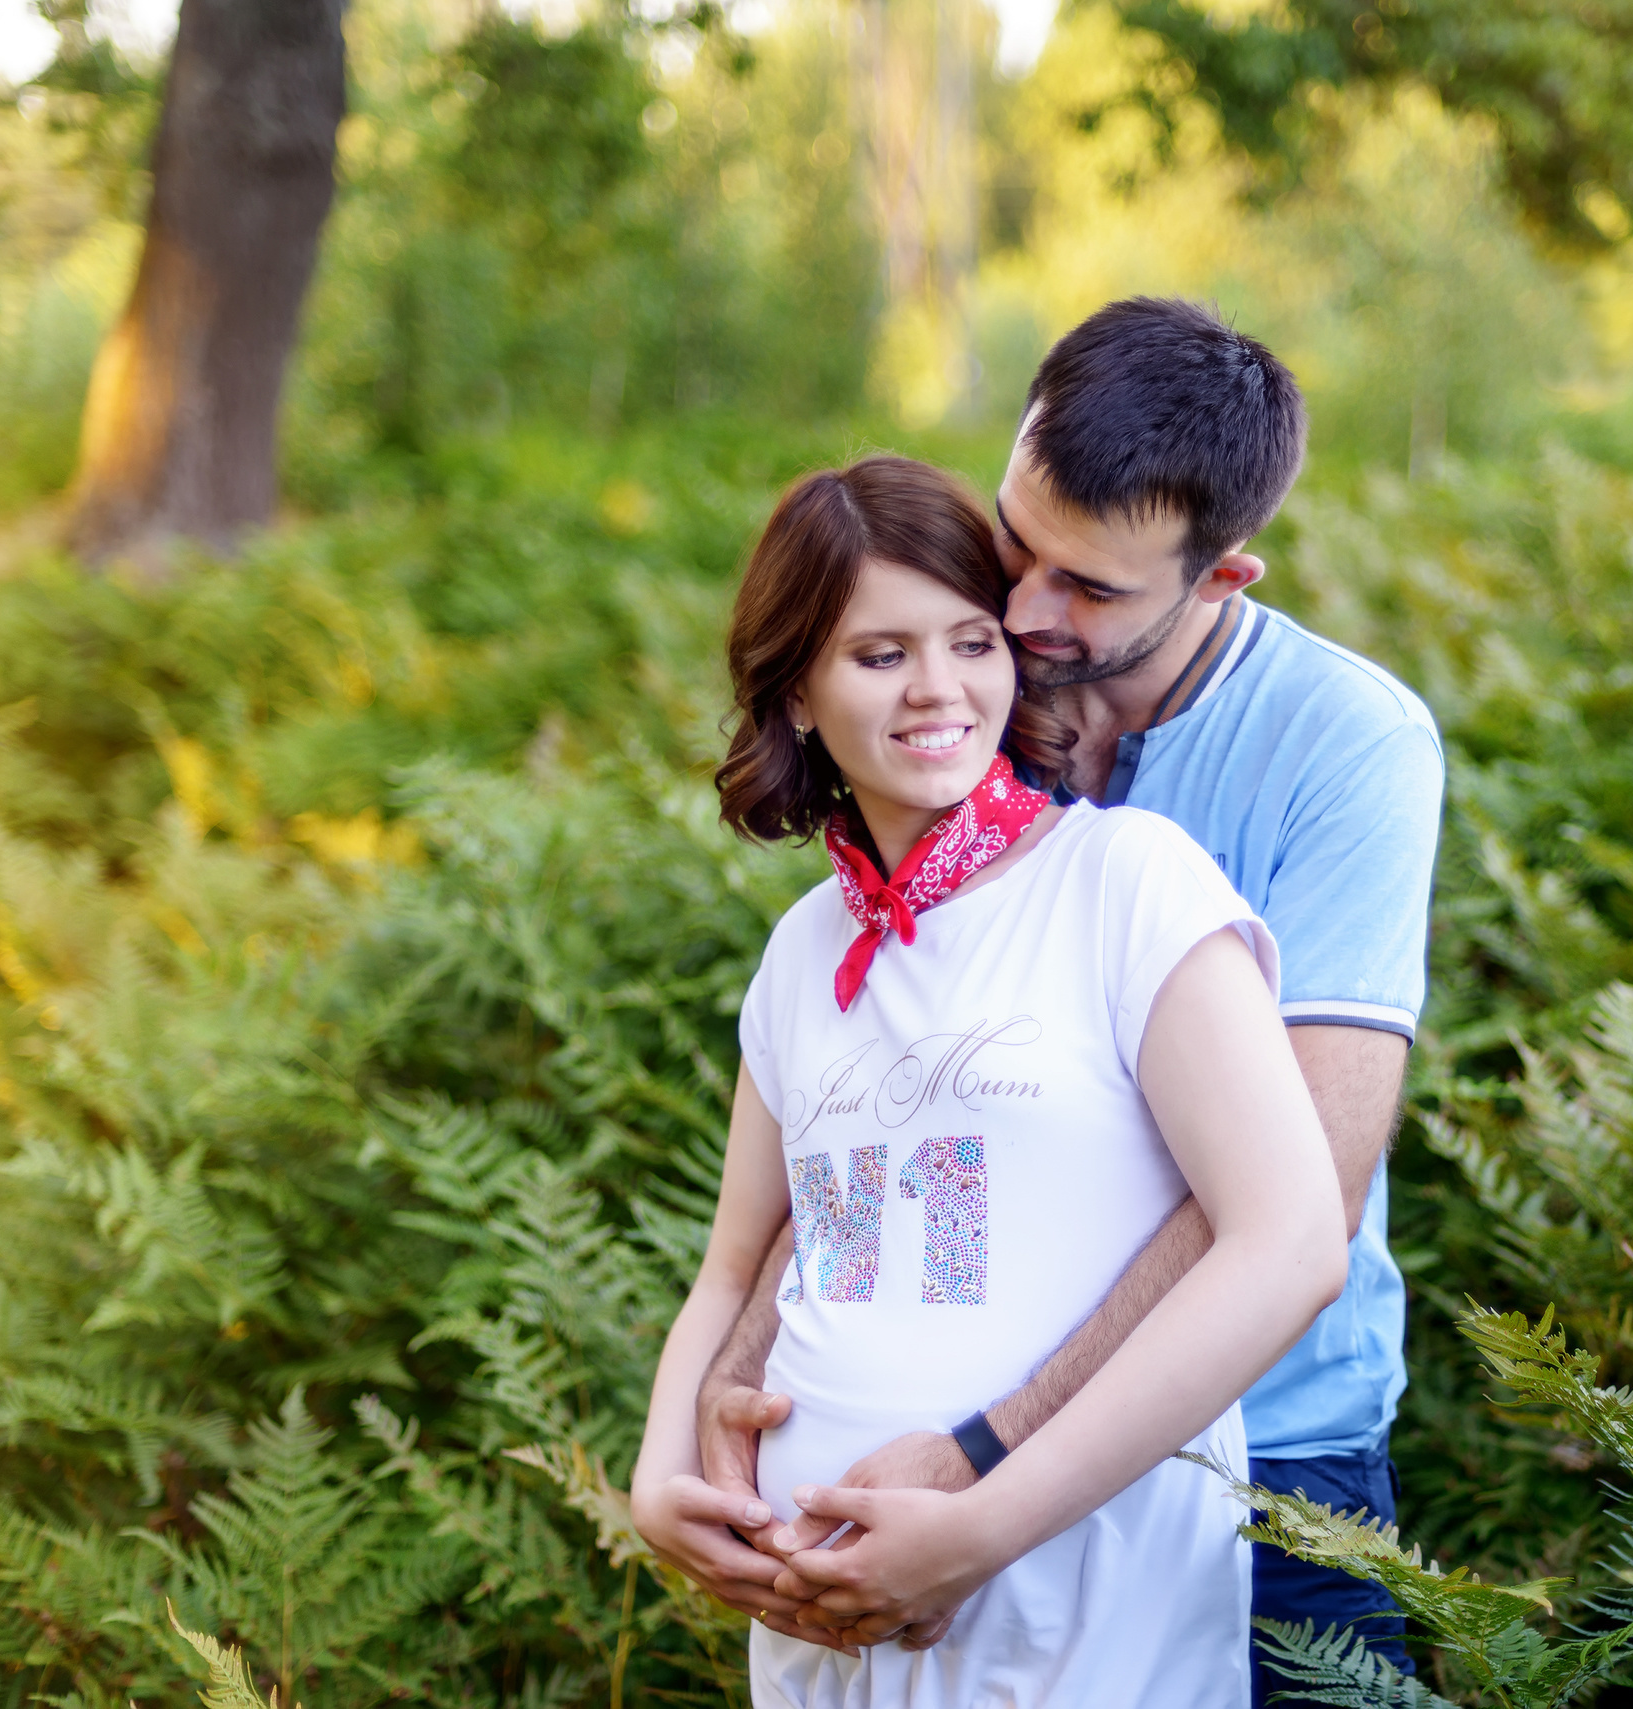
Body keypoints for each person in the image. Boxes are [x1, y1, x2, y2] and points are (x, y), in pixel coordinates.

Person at [648, 298, 1449, 1700]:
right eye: (1015, 544)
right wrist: (753, 1355)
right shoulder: (961, 753)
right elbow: (909, 1111)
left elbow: (1291, 1195)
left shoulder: (1332, 752)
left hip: (1265, 1452)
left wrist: (983, 1456)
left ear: (1222, 581)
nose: (1023, 612)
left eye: (1086, 589)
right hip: (897, 1524)